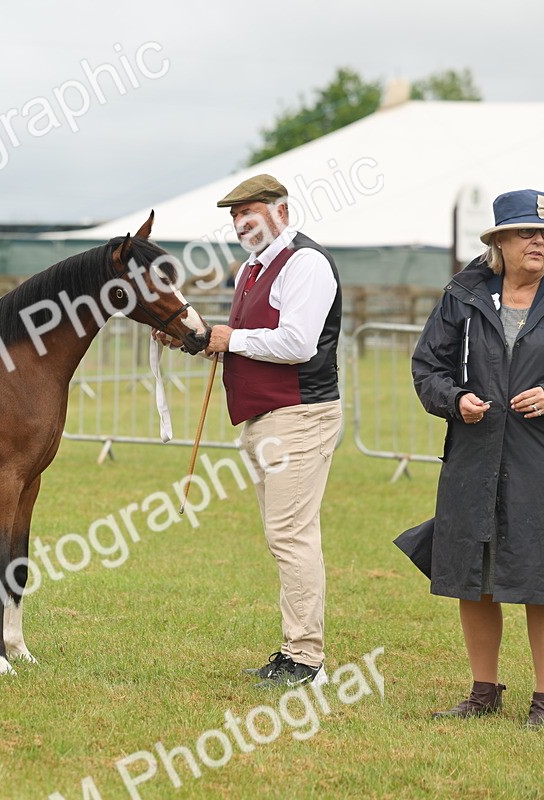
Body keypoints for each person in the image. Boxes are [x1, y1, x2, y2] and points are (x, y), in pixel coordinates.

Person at [409, 189, 544, 728]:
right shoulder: (463, 295)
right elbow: (427, 368)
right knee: (474, 576)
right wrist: (454, 400)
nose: (540, 242)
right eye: (528, 233)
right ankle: (483, 692)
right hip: (474, 456)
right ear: (499, 241)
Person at [162, 173, 343, 688]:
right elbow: (242, 337)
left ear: (280, 211)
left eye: (251, 211)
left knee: (290, 534)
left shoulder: (305, 263)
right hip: (268, 414)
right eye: (235, 215)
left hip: (300, 413)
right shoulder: (251, 269)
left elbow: (296, 343)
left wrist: (227, 336)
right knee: (284, 536)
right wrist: (195, 337)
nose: (242, 222)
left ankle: (306, 660)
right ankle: (296, 651)